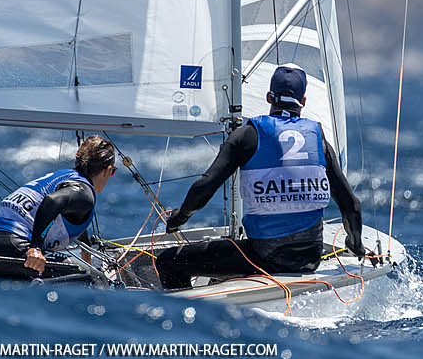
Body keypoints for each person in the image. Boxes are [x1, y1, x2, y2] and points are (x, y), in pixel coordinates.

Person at [153, 64, 365, 290]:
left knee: (168, 262)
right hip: (310, 259)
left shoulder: (248, 135)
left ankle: (185, 317)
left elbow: (205, 186)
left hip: (263, 257)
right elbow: (351, 205)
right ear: (303, 102)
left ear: (268, 97)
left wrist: (179, 217)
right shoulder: (318, 138)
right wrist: (355, 245)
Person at [0, 134, 116, 279]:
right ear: (108, 170)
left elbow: (72, 213)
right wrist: (35, 248)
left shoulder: (63, 177)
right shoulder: (84, 192)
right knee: (93, 277)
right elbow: (52, 202)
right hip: (14, 249)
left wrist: (86, 248)